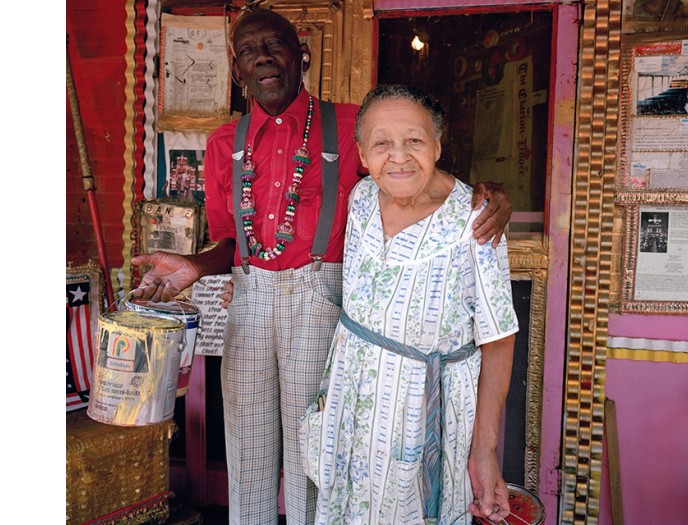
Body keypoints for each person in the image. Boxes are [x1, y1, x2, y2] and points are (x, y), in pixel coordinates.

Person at [130, 8, 513, 525]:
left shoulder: (355, 123)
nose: (262, 57)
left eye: (275, 45)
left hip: (320, 300)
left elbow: (410, 168)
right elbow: (231, 243)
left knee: (317, 457)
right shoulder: (224, 144)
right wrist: (196, 266)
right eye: (248, 51)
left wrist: (488, 195)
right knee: (247, 453)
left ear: (301, 55)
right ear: (237, 68)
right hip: (248, 299)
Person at [300, 84, 518, 525]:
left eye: (415, 141)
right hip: (353, 402)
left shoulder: (476, 219)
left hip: (425, 409)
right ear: (362, 153)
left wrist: (485, 449)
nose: (398, 156)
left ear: (438, 145)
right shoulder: (361, 198)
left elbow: (498, 338)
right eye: (382, 143)